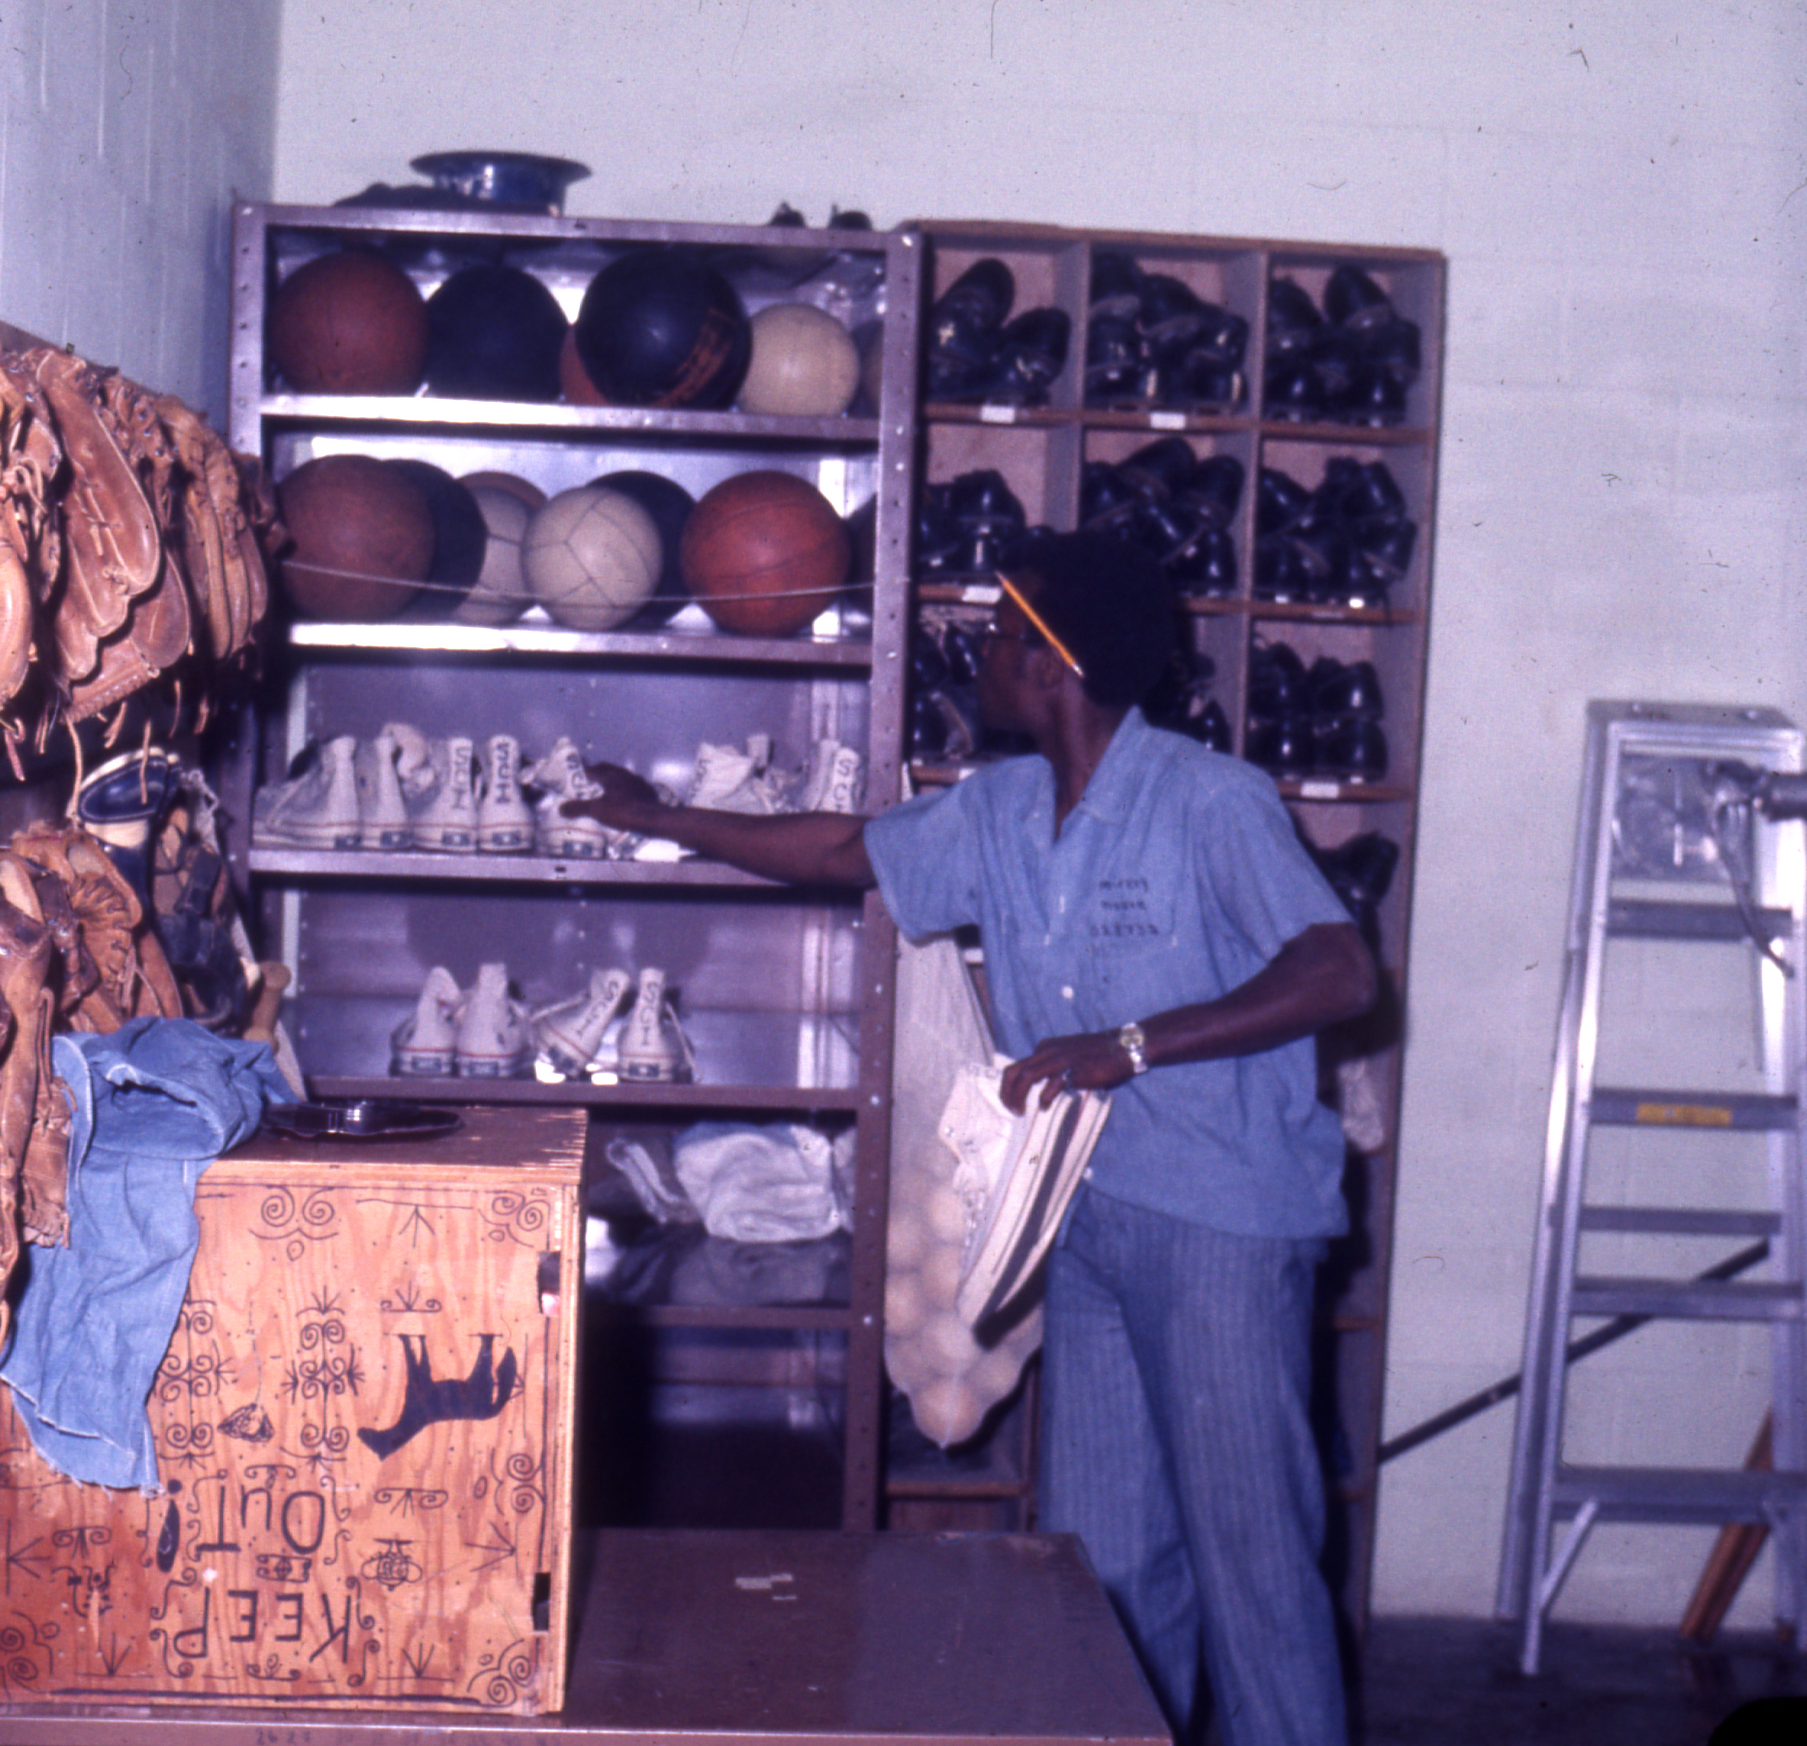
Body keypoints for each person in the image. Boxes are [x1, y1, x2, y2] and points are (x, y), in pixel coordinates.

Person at [565, 533, 1376, 1746]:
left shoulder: (1211, 801)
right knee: (1101, 1569)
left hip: (1223, 1224)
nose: (981, 654)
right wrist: (657, 814)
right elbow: (843, 852)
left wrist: (1134, 1041)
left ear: (1053, 664)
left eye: (1001, 636)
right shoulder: (998, 808)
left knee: (1250, 1562)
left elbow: (1338, 967)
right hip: (1084, 1218)